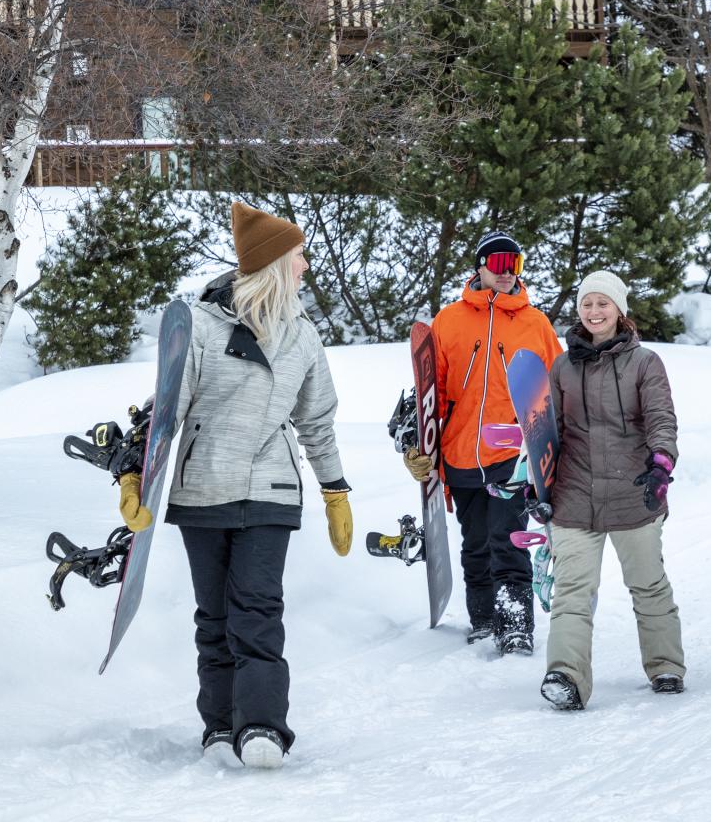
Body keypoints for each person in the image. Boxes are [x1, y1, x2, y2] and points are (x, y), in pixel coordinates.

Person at [115, 203, 353, 769]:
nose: (306, 266)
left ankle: (264, 728)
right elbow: (167, 412)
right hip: (202, 489)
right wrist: (135, 474)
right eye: (299, 256)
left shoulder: (302, 335)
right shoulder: (199, 325)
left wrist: (335, 489)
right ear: (273, 261)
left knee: (257, 609)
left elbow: (316, 420)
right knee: (215, 616)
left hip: (271, 489)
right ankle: (220, 725)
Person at [402, 232, 562, 655]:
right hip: (459, 453)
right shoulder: (449, 320)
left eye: (516, 265)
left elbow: (558, 386)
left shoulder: (535, 323)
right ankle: (484, 618)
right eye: (499, 264)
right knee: (474, 544)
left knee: (507, 540)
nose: (507, 274)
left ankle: (515, 626)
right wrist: (416, 439)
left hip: (512, 454)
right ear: (480, 267)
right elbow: (427, 388)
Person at [537, 271, 685, 710]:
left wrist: (662, 461)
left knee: (648, 584)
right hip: (575, 495)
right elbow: (548, 433)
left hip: (634, 492)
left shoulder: (645, 363)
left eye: (603, 303)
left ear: (619, 310)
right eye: (587, 304)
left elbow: (661, 416)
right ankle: (566, 675)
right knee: (571, 591)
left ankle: (665, 666)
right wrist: (537, 484)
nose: (594, 311)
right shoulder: (563, 366)